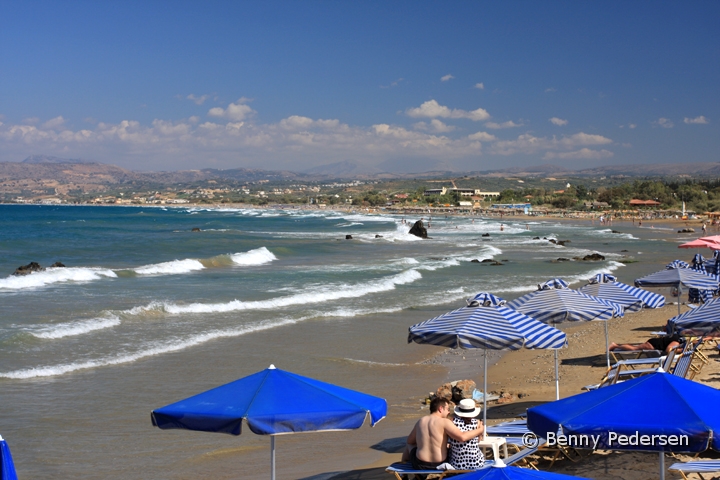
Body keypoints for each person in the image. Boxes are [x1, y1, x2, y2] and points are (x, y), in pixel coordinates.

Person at [401, 397, 484, 470]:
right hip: (439, 464)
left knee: (409, 445)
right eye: (448, 409)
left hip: (420, 464)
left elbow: (410, 441)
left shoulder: (421, 421)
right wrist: (480, 430)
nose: (448, 412)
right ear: (441, 409)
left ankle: (403, 471)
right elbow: (462, 437)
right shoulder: (445, 422)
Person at [448, 399, 485, 469]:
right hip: (476, 463)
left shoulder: (451, 422)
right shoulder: (477, 423)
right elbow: (478, 440)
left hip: (457, 464)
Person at [609, 333, 684, 354]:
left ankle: (616, 346)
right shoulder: (677, 341)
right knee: (634, 348)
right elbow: (668, 350)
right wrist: (680, 350)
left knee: (635, 347)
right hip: (653, 345)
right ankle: (615, 346)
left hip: (654, 342)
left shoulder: (677, 336)